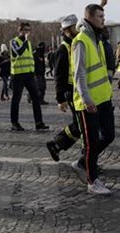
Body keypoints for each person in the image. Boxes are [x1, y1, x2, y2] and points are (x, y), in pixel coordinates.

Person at [71, 4, 115, 195]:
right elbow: (79, 73)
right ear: (89, 18)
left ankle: (82, 162)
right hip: (88, 102)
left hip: (103, 98)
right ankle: (92, 180)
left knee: (109, 135)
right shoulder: (81, 40)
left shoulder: (96, 39)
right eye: (100, 16)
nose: (103, 19)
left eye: (103, 16)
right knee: (92, 142)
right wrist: (86, 98)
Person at [46, 14, 82, 162]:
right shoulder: (63, 48)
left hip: (77, 89)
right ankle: (57, 144)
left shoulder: (75, 44)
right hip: (70, 90)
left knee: (80, 125)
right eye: (75, 27)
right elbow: (58, 75)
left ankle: (57, 144)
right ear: (67, 30)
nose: (78, 29)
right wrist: (60, 98)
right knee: (81, 125)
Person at [9, 22, 48, 132]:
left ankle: (39, 122)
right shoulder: (14, 42)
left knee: (36, 98)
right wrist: (25, 41)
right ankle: (14, 122)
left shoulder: (29, 43)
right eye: (25, 30)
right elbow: (18, 53)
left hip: (29, 74)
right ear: (20, 30)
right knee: (16, 99)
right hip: (18, 74)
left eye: (28, 30)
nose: (27, 32)